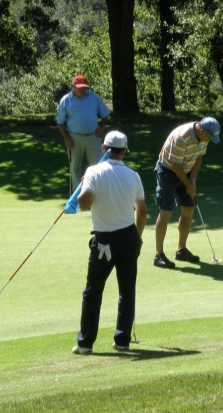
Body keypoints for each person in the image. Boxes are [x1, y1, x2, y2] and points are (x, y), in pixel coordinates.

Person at [72, 131, 147, 354]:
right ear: (123, 151)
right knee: (126, 290)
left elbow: (83, 204)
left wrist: (84, 184)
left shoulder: (94, 171)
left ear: (104, 149)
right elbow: (141, 211)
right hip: (129, 237)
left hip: (104, 241)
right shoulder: (133, 175)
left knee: (93, 290)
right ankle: (122, 340)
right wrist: (138, 237)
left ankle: (85, 343)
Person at [152, 117, 221, 268]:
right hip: (168, 171)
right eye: (208, 136)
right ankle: (158, 255)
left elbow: (198, 159)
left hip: (186, 171)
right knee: (166, 211)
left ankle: (181, 250)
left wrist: (193, 181)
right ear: (201, 130)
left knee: (189, 207)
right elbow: (176, 166)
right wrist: (187, 186)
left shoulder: (204, 136)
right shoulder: (181, 137)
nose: (209, 140)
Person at [57, 75, 111, 191]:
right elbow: (60, 122)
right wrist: (67, 138)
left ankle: (100, 192)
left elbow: (105, 114)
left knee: (99, 166)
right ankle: (78, 195)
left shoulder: (93, 97)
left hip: (93, 136)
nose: (82, 89)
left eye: (84, 87)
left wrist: (102, 128)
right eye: (79, 87)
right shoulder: (66, 100)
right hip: (74, 138)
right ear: (73, 86)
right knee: (75, 167)